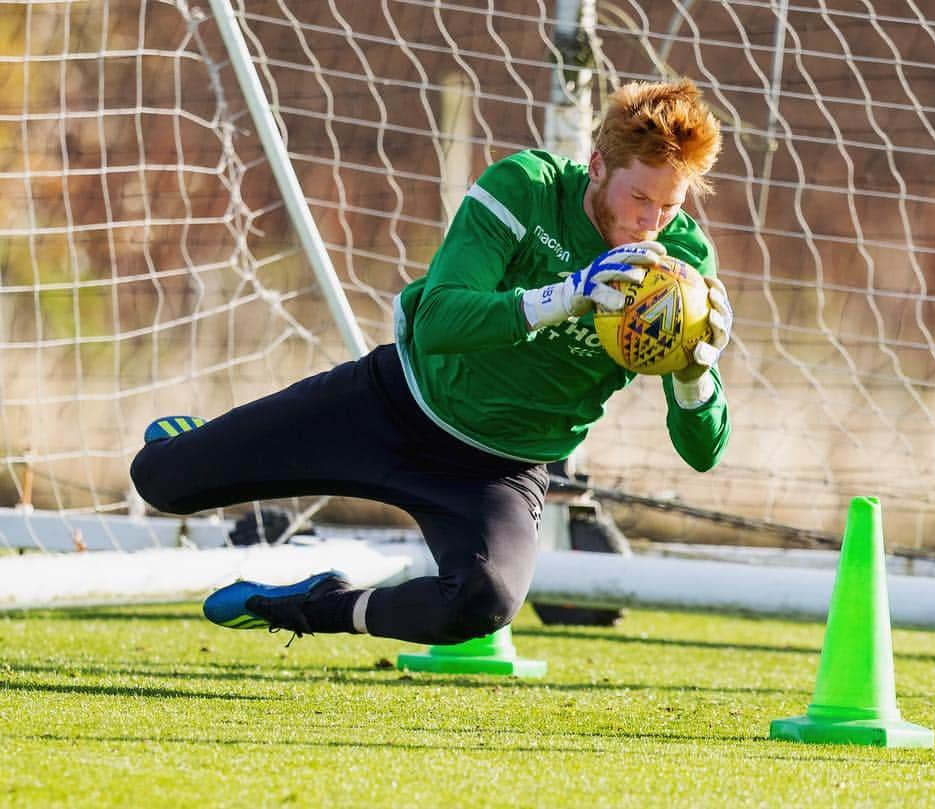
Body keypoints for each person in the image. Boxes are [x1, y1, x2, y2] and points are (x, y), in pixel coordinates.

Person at [130, 77, 733, 646]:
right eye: (639, 198)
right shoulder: (525, 187)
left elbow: (704, 453)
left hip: (499, 471)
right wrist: (564, 296)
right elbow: (438, 321)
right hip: (397, 403)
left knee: (484, 600)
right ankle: (197, 444)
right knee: (161, 480)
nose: (649, 223)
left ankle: (315, 605)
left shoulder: (679, 265)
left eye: (669, 206)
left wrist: (693, 372)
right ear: (598, 164)